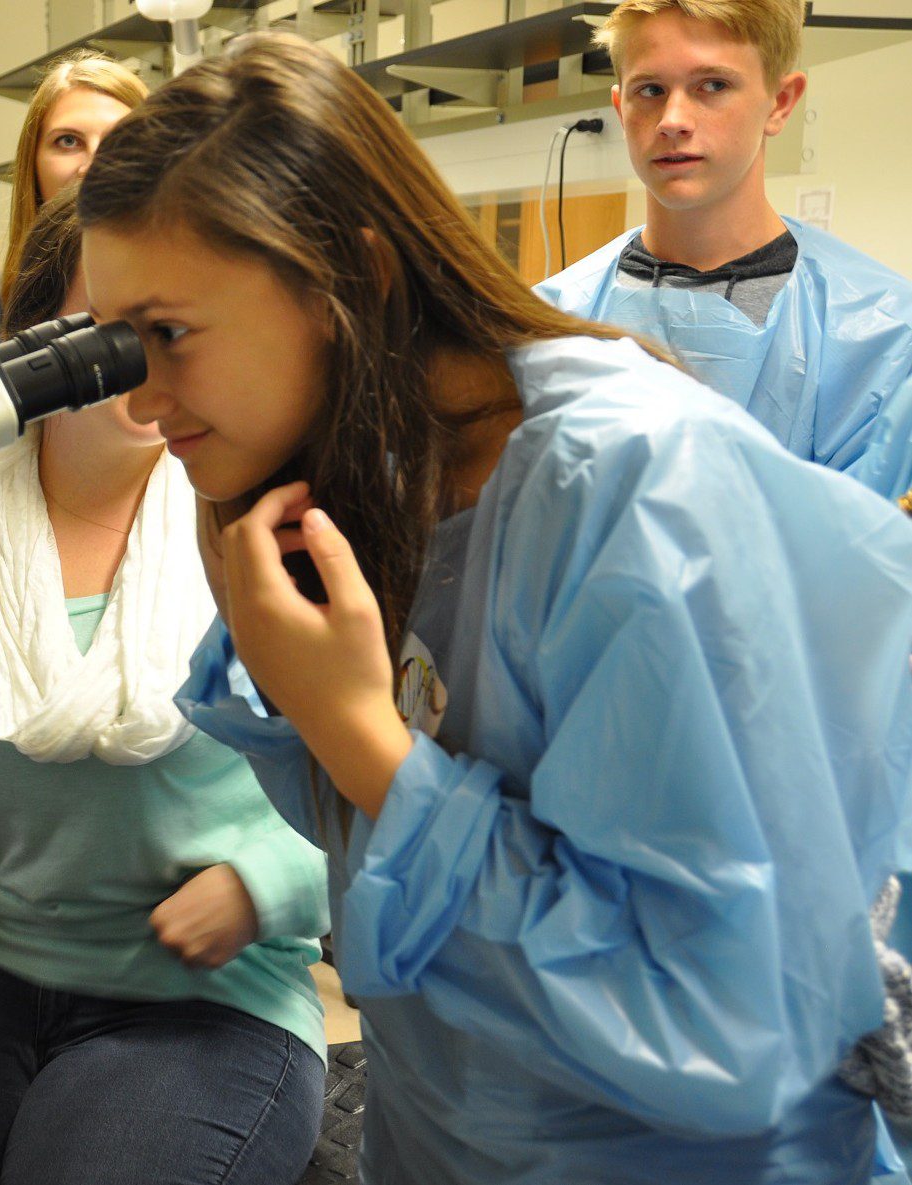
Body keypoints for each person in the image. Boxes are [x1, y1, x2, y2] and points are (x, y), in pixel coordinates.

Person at [78, 31, 912, 1185]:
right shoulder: (379, 474)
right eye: (121, 344)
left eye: (168, 334)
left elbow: (718, 1023)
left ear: (353, 279)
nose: (142, 397)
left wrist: (365, 741)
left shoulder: (625, 491)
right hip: (456, 1134)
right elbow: (381, 894)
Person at [0, 185, 327, 1185]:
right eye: (109, 324)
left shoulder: (261, 524)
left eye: (170, 325)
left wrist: (265, 882)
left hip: (202, 1002)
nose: (144, 361)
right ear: (29, 339)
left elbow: (386, 773)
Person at [536, 0, 912, 501]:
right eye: (650, 90)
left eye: (712, 85)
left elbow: (870, 562)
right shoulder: (551, 321)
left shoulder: (884, 338)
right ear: (620, 109)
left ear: (780, 102)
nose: (672, 119)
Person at [0, 51, 149, 339]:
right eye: (68, 141)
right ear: (33, 165)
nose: (92, 167)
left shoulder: (194, 300)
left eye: (120, 141)